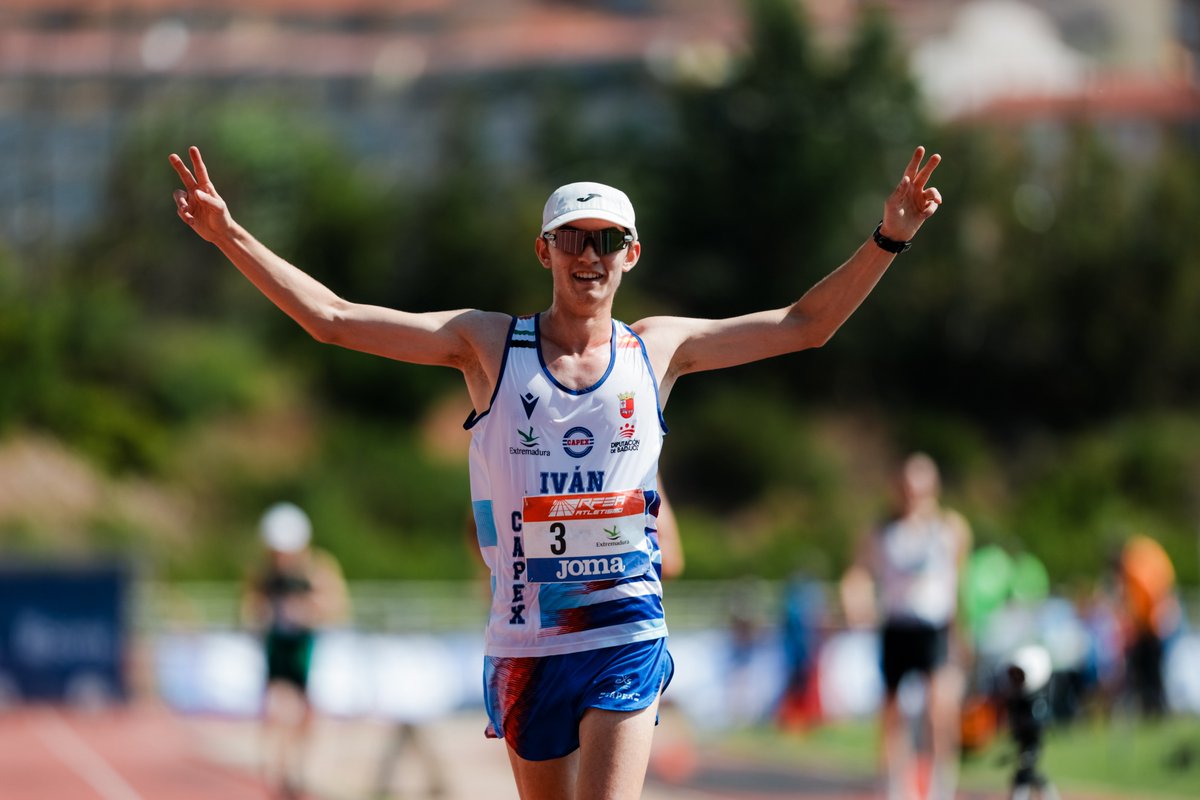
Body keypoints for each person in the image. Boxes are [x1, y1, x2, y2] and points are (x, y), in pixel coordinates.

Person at [171, 143, 942, 800]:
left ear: (632, 254)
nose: (590, 256)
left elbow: (806, 326)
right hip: (527, 645)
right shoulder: (486, 345)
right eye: (572, 239)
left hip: (626, 633)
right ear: (543, 250)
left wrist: (887, 239)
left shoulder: (658, 349)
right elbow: (333, 320)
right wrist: (230, 235)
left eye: (608, 240)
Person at [840, 453, 972, 800]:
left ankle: (940, 786)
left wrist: (962, 634)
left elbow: (957, 584)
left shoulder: (950, 528)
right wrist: (854, 595)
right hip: (898, 626)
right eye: (908, 487)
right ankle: (894, 786)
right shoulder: (881, 531)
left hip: (935, 627)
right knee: (893, 712)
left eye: (922, 487)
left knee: (938, 710)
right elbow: (858, 573)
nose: (914, 495)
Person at [242, 501, 350, 799]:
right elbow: (250, 608)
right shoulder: (263, 573)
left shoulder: (318, 569)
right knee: (277, 707)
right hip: (277, 647)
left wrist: (310, 608)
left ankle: (299, 767)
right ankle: (279, 768)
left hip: (308, 648)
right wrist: (259, 618)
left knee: (306, 712)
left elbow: (337, 607)